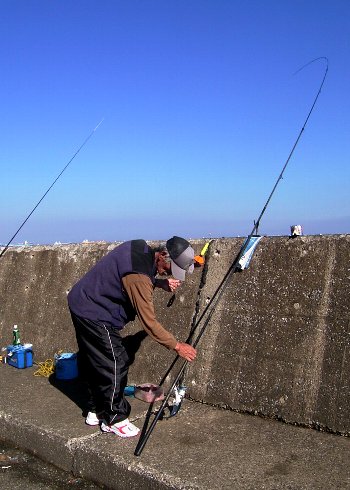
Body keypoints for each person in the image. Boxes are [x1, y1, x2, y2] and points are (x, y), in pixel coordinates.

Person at [67, 236, 197, 438]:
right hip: (93, 311)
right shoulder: (138, 277)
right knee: (115, 361)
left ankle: (96, 409)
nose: (170, 273)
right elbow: (149, 322)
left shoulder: (140, 249)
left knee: (95, 361)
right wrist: (177, 346)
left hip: (83, 300)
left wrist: (160, 283)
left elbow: (136, 275)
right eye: (171, 268)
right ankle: (114, 418)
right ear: (163, 255)